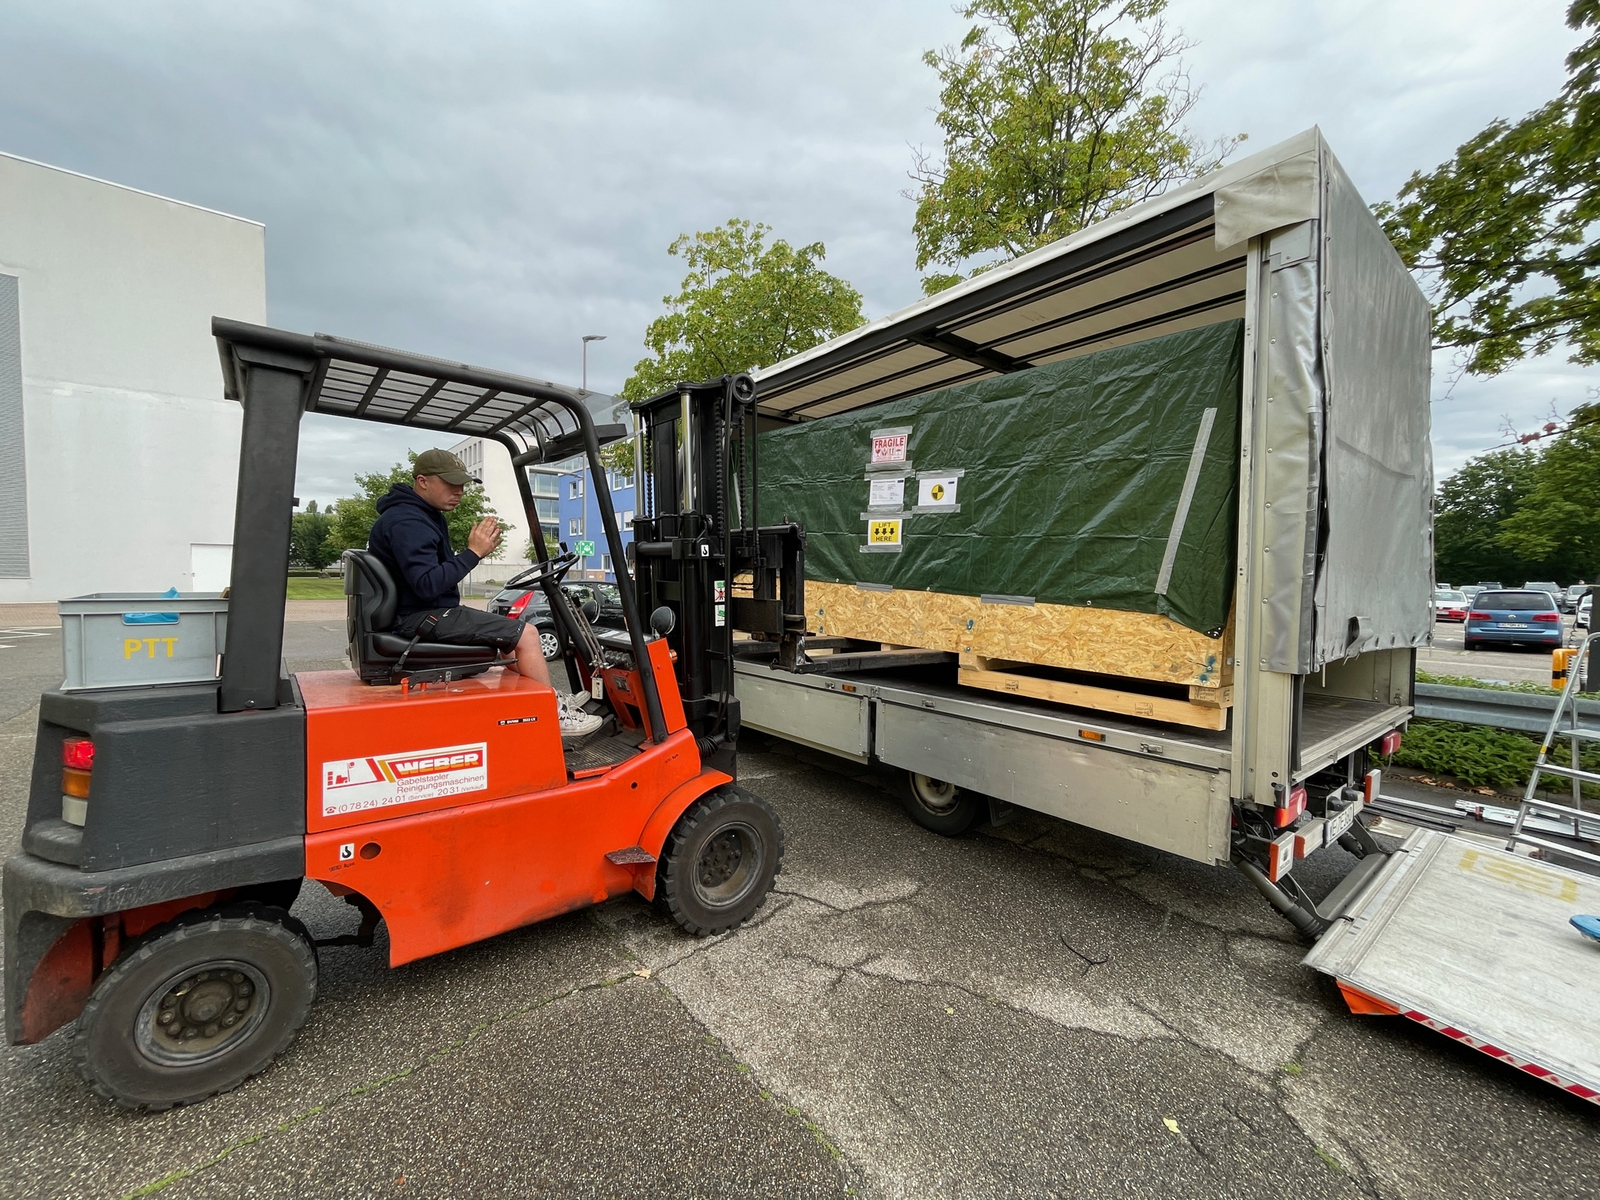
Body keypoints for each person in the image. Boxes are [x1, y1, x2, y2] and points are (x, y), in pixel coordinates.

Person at [366, 449, 601, 738]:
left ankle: (537, 698)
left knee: (508, 639)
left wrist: (472, 554)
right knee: (527, 634)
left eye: (462, 485)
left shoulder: (420, 515)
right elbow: (427, 584)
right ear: (423, 481)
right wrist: (473, 553)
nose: (459, 491)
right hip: (417, 617)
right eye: (450, 484)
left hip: (421, 612)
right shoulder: (409, 522)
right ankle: (551, 713)